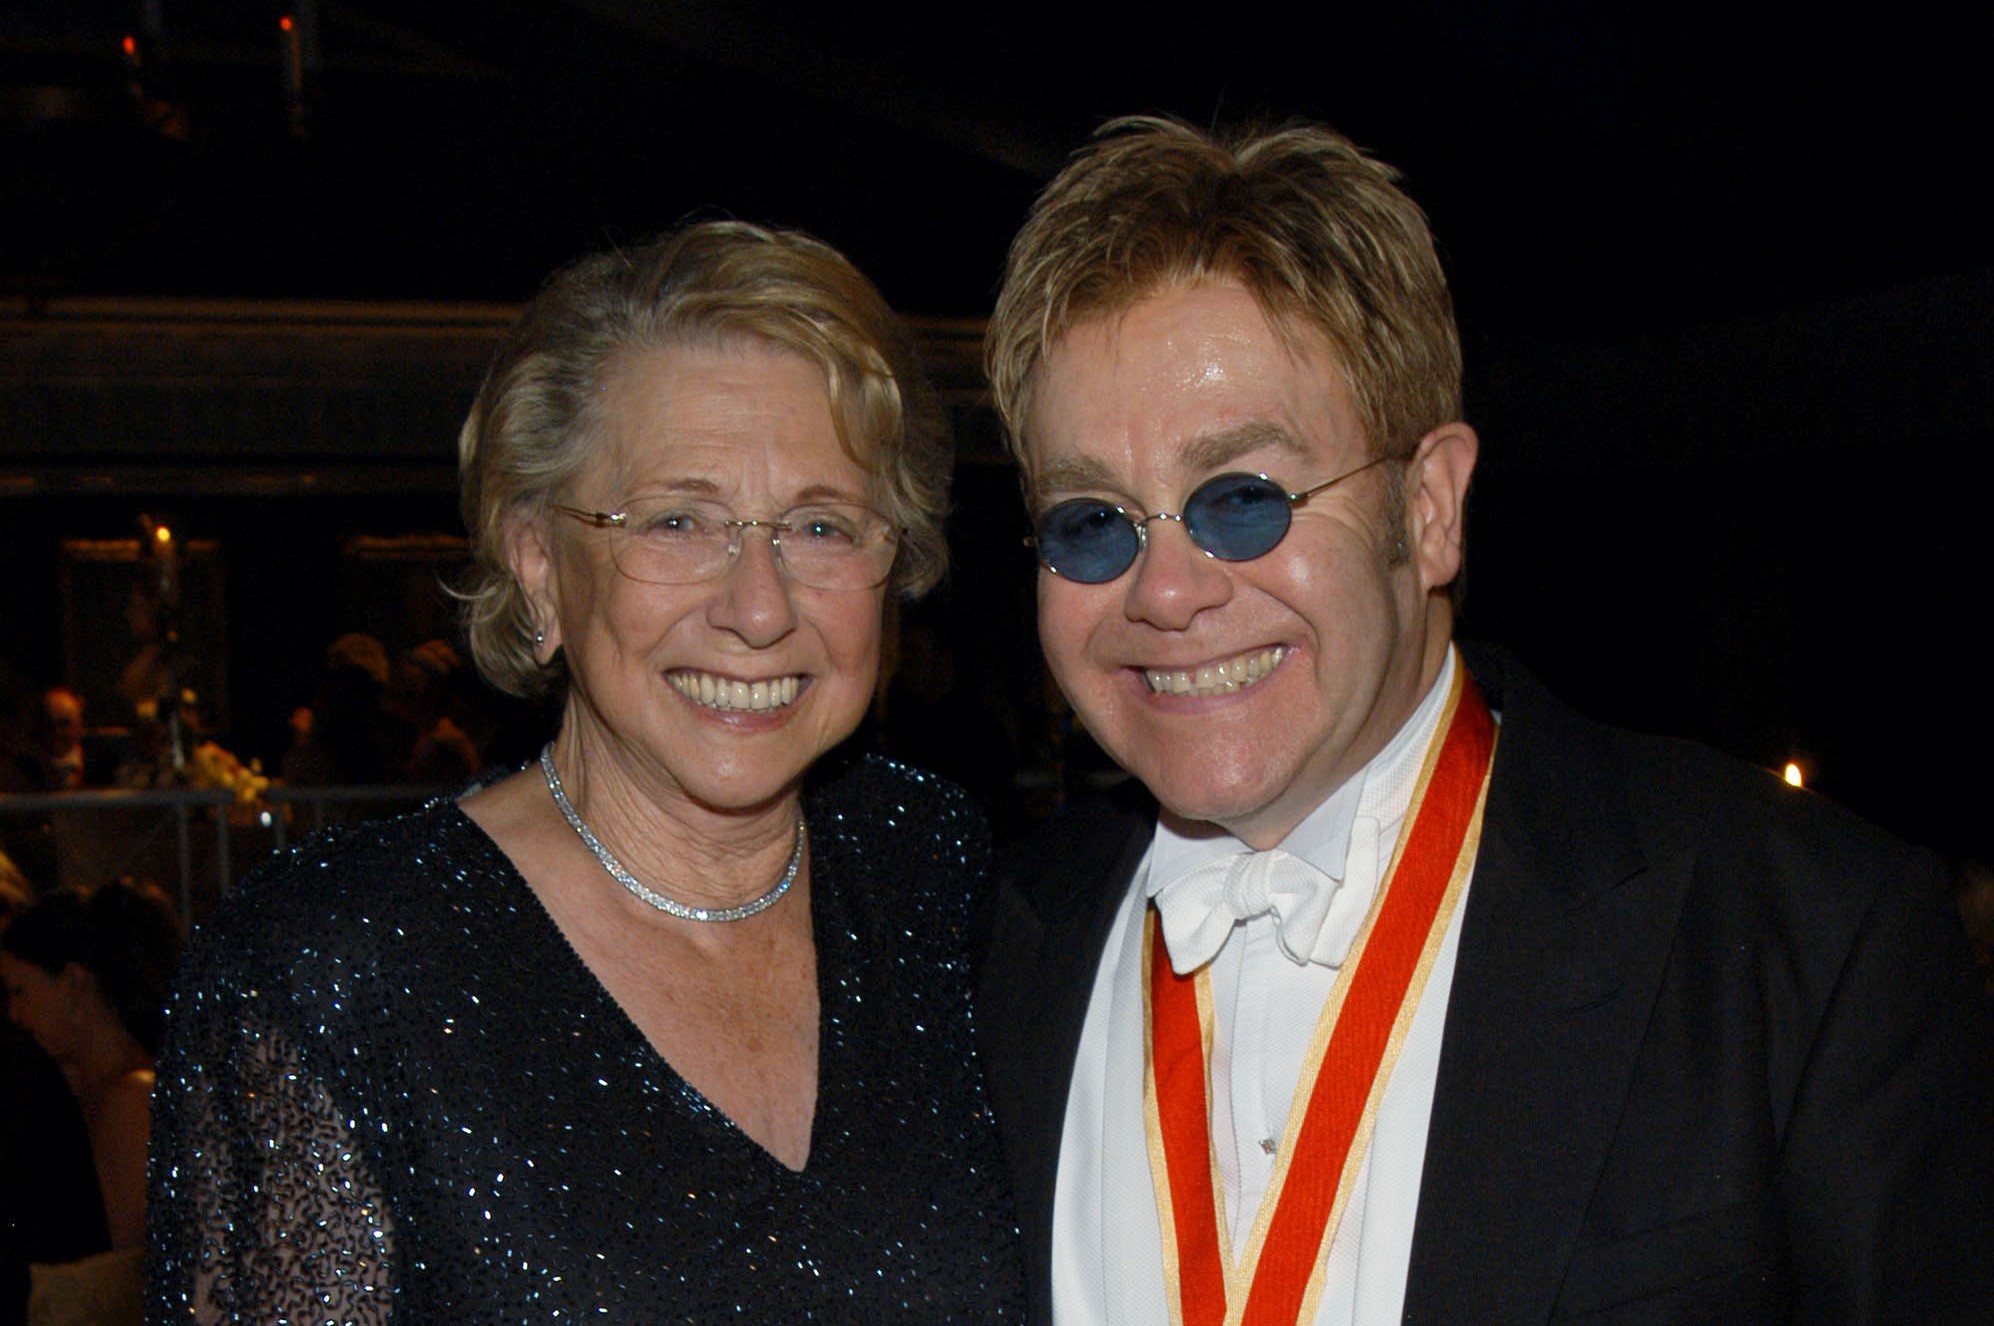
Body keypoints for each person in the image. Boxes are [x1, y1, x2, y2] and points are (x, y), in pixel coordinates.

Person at [973, 115, 1994, 1325]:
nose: (1166, 590)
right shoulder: (992, 949)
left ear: (1429, 506)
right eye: (1091, 521)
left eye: (1239, 500)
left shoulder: (1806, 939)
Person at [148, 222, 1024, 1321]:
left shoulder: (925, 871)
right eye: (675, 519)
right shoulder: (331, 974)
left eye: (819, 524)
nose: (757, 606)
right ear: (537, 563)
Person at [1, 883, 180, 1260]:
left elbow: (130, 1264)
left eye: (22, 992)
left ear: (73, 983)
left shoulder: (132, 1100)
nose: (14, 1013)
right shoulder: (74, 1088)